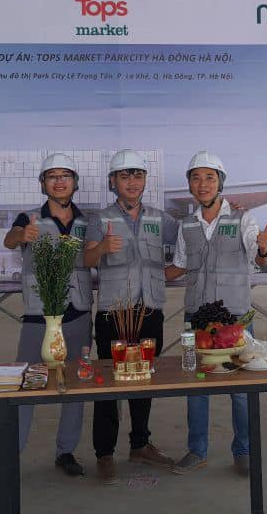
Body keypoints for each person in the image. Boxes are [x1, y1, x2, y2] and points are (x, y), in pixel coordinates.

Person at [164, 151, 267, 477]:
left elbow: (258, 256)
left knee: (241, 389)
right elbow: (179, 266)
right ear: (190, 185)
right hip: (196, 318)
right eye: (196, 178)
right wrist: (144, 272)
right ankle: (197, 450)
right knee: (196, 385)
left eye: (209, 177)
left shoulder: (243, 219)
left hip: (234, 317)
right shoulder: (187, 225)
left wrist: (263, 248)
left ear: (220, 183)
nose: (203, 184)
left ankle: (244, 450)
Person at [0, 152, 93, 490]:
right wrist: (21, 236)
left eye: (66, 176)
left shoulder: (86, 220)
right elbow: (9, 239)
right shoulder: (29, 217)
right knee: (26, 383)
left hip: (79, 314)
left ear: (75, 183)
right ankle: (10, 460)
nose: (60, 181)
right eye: (52, 176)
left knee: (74, 385)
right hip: (39, 315)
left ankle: (66, 452)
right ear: (44, 184)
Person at [82, 149, 178, 484]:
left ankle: (140, 445)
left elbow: (190, 240)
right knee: (108, 384)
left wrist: (228, 214)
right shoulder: (100, 219)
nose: (132, 182)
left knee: (145, 380)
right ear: (113, 182)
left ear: (145, 181)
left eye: (138, 175)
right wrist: (101, 248)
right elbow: (87, 260)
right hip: (114, 312)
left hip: (149, 310)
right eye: (125, 176)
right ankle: (104, 454)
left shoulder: (160, 219)